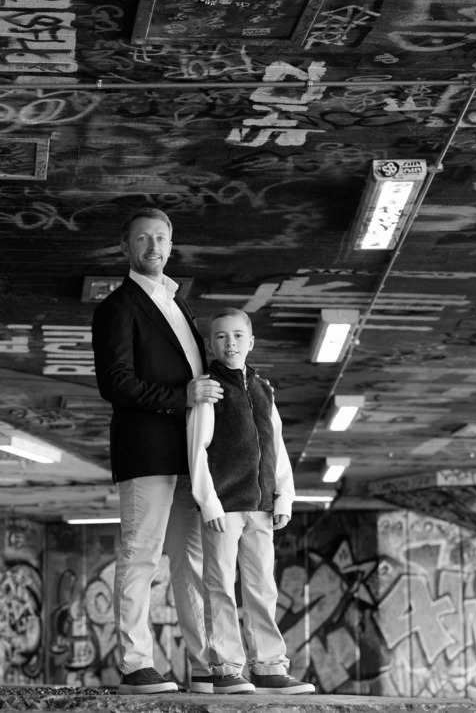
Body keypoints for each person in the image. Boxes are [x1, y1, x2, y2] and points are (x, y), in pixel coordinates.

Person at [91, 207, 224, 695]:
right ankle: (135, 663)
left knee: (190, 564)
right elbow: (116, 383)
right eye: (143, 238)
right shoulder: (117, 307)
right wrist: (181, 398)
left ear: (172, 245)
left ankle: (205, 664)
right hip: (146, 451)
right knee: (140, 555)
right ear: (125, 247)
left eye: (161, 238)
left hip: (190, 453)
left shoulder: (177, 301)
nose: (153, 247)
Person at [188, 307, 315, 695]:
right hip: (224, 507)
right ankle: (227, 668)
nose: (231, 343)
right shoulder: (209, 387)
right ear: (211, 344)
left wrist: (284, 496)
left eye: (238, 336)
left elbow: (275, 444)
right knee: (221, 588)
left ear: (251, 342)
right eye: (222, 337)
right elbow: (197, 448)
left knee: (263, 588)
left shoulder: (263, 388)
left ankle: (268, 666)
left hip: (260, 508)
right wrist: (208, 503)